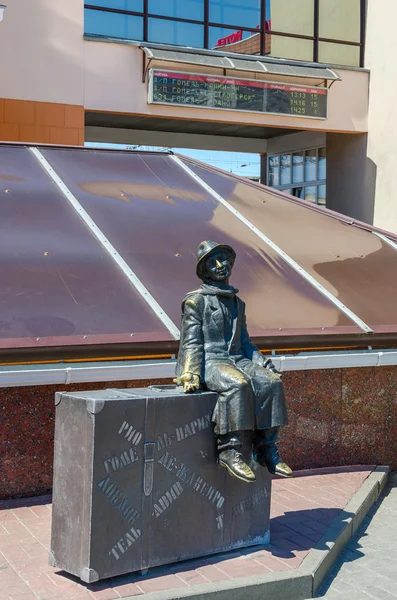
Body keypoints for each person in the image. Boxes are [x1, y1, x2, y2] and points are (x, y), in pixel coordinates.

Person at [174, 240, 293, 483]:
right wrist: (191, 373)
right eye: (213, 262)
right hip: (210, 361)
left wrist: (263, 363)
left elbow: (246, 343)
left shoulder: (238, 303)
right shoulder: (196, 301)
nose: (221, 265)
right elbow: (191, 342)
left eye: (223, 259)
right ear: (205, 270)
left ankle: (266, 449)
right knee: (238, 385)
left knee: (271, 382)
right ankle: (231, 451)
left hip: (238, 359)